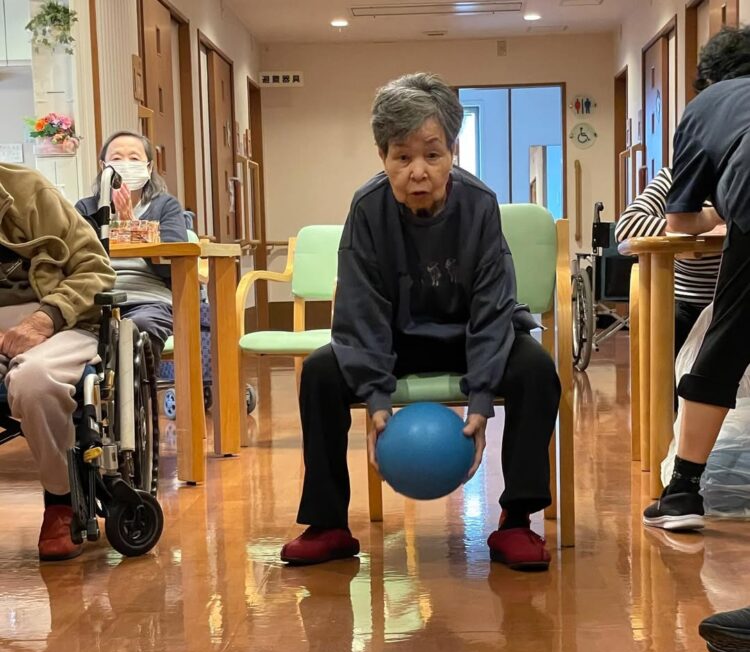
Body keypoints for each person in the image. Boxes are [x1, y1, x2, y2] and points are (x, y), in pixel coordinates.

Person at [281, 73, 561, 571]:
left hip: (467, 337)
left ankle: (516, 520)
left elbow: (493, 306)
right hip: (394, 342)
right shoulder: (367, 208)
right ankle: (328, 524)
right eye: (402, 156)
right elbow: (360, 308)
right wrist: (376, 397)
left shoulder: (479, 205)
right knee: (321, 372)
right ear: (382, 156)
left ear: (453, 151)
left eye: (432, 154)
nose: (418, 172)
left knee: (536, 369)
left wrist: (480, 400)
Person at [643, 25, 750, 533]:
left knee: (726, 343)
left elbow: (679, 221)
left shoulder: (708, 104)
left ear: (706, 78)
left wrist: (714, 214)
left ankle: (683, 490)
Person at [0, 162, 115, 559]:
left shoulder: (29, 191)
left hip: (59, 321)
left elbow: (96, 270)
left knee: (35, 381)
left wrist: (44, 318)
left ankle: (61, 501)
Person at [75, 131, 188, 365]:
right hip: (97, 297)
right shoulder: (86, 208)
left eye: (134, 158)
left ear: (149, 167)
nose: (125, 164)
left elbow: (172, 261)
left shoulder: (165, 206)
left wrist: (131, 226)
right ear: (103, 166)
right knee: (74, 334)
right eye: (117, 158)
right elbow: (77, 256)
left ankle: (139, 389)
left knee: (141, 329)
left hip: (148, 297)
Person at [615, 166, 723, 361]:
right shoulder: (674, 178)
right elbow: (626, 226)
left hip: (735, 302)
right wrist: (705, 221)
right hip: (685, 305)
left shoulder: (741, 177)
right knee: (669, 323)